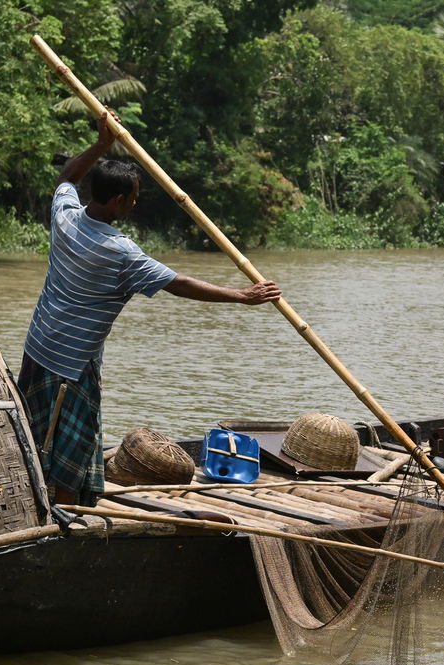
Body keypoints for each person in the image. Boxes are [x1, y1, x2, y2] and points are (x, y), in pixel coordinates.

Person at [19, 113, 281, 506]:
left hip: (38, 346)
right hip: (72, 363)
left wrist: (101, 144)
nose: (136, 202)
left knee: (36, 434)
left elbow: (67, 178)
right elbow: (178, 284)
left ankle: (37, 501)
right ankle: (66, 516)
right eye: (133, 197)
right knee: (70, 448)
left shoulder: (65, 216)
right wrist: (242, 295)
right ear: (117, 200)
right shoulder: (120, 251)